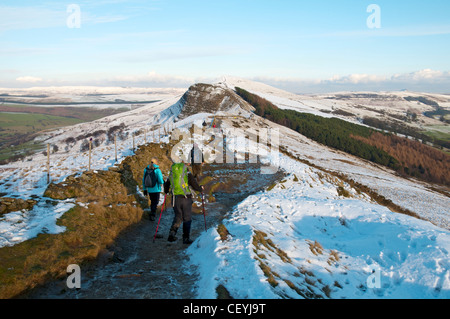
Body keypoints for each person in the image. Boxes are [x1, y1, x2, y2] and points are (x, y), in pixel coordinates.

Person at [164, 161, 203, 244]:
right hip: (186, 199)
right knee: (187, 218)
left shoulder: (172, 173)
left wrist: (166, 191)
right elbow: (194, 185)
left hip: (175, 199)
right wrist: (200, 189)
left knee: (178, 216)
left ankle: (172, 234)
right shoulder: (187, 173)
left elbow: (166, 186)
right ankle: (186, 238)